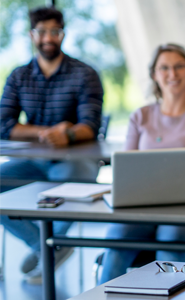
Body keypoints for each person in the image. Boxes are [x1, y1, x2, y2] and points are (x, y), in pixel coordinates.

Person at [98, 43, 185, 284]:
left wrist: (154, 181)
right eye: (164, 68)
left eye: (179, 67)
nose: (172, 74)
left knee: (170, 242)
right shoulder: (140, 116)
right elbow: (127, 170)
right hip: (141, 207)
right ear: (154, 75)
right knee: (116, 240)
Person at [0, 6, 103, 284]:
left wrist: (67, 135)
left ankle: (48, 247)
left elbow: (90, 125)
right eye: (42, 31)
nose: (48, 37)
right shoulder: (19, 76)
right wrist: (46, 131)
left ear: (63, 34)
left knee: (80, 179)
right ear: (32, 34)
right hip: (31, 162)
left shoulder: (85, 74)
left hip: (74, 161)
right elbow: (3, 124)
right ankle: (47, 246)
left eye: (54, 31)